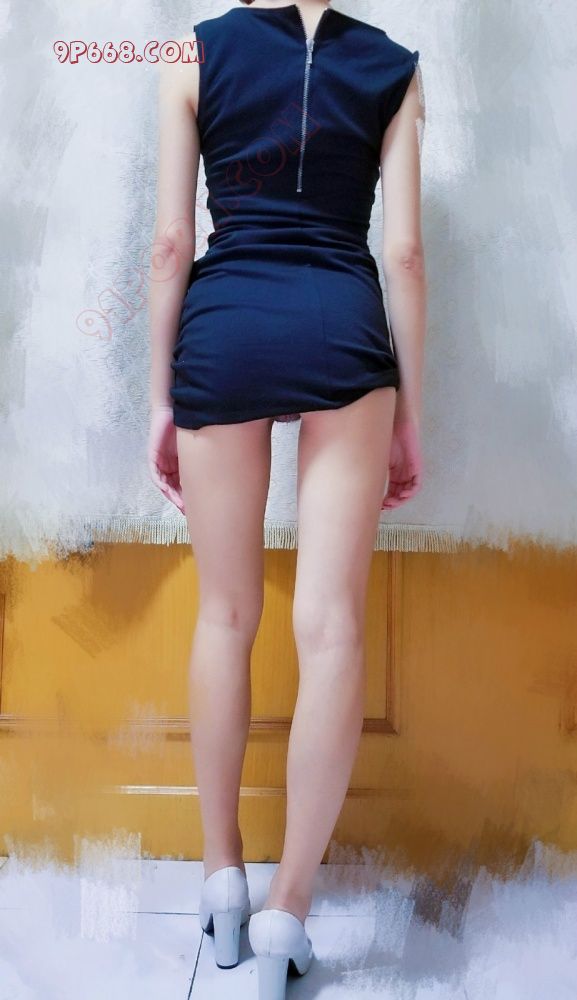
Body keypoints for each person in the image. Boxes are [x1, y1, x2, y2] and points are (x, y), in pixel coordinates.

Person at [148, 0, 426, 994]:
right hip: (342, 323)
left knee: (224, 616)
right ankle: (285, 918)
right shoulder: (394, 68)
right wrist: (409, 415)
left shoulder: (193, 55)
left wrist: (159, 399)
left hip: (223, 328)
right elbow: (404, 257)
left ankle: (222, 879)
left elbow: (171, 245)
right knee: (332, 629)